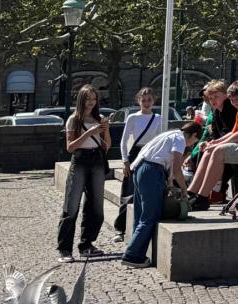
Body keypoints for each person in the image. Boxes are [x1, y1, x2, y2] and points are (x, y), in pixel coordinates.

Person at [120, 122, 202, 268]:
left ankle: (136, 250)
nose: (191, 145)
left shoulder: (168, 134)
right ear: (194, 135)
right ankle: (132, 255)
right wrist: (184, 189)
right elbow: (176, 170)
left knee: (140, 215)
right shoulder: (180, 139)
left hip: (140, 169)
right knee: (150, 216)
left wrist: (169, 184)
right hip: (152, 172)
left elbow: (167, 165)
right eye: (194, 141)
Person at [187, 80, 238, 209]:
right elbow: (233, 133)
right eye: (232, 100)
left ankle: (203, 197)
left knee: (218, 151)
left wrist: (216, 145)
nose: (234, 103)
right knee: (209, 150)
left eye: (237, 99)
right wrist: (214, 143)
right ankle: (191, 192)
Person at [57, 85, 112, 263]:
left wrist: (105, 129)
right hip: (80, 160)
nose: (91, 102)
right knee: (71, 206)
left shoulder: (99, 118)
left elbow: (106, 146)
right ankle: (65, 249)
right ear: (81, 99)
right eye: (88, 99)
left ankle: (86, 244)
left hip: (96, 160)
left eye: (94, 99)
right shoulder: (74, 120)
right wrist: (88, 133)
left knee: (96, 206)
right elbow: (70, 147)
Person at [113, 87, 165, 241]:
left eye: (149, 100)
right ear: (138, 101)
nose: (146, 103)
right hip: (135, 154)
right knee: (128, 192)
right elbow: (123, 141)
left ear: (153, 101)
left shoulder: (159, 118)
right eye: (144, 100)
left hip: (151, 154)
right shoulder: (133, 118)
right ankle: (120, 228)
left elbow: (160, 140)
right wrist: (125, 161)